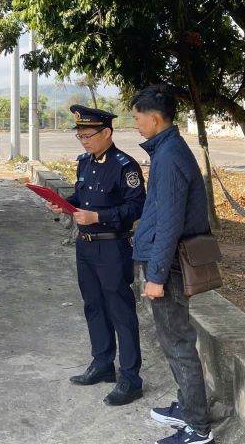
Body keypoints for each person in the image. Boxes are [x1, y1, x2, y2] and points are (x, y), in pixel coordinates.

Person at [130, 85, 214, 444]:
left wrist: (157, 275)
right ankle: (187, 405)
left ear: (154, 118)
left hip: (170, 267)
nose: (134, 124)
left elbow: (169, 221)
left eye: (136, 118)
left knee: (178, 343)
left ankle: (198, 427)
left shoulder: (168, 158)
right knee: (173, 341)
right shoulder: (168, 151)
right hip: (167, 262)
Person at [51, 105, 146, 406]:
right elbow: (82, 197)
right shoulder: (84, 163)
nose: (84, 141)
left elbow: (136, 207)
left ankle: (130, 379)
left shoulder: (125, 166)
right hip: (86, 246)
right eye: (79, 136)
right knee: (93, 306)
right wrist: (63, 203)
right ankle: (102, 363)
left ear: (107, 132)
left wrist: (98, 217)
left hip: (112, 247)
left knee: (120, 311)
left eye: (88, 135)